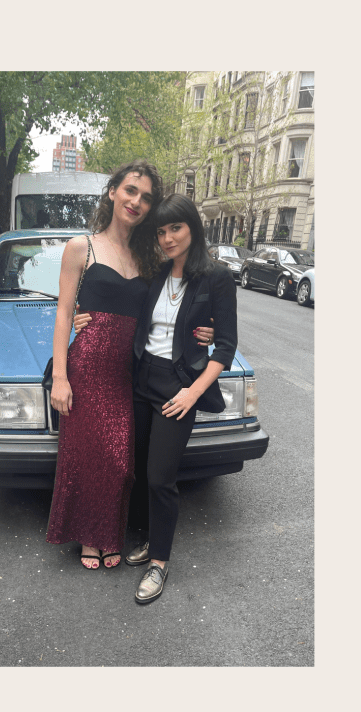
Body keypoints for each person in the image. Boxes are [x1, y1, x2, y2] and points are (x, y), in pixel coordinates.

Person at [45, 160, 165, 571]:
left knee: (118, 460)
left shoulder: (149, 255)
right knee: (83, 455)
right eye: (130, 190)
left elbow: (178, 298)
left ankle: (108, 532)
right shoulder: (82, 246)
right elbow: (63, 314)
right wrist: (60, 376)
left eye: (146, 197)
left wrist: (207, 327)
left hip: (127, 372)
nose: (136, 201)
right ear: (113, 191)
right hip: (88, 364)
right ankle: (90, 539)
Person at [124, 194, 237, 604]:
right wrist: (85, 314)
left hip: (178, 387)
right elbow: (125, 310)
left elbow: (225, 347)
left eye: (176, 228)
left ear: (193, 227)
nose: (168, 238)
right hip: (141, 380)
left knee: (160, 476)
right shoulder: (154, 272)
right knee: (138, 470)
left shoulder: (216, 278)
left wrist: (192, 392)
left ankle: (159, 562)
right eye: (161, 231)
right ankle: (151, 541)